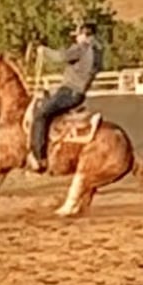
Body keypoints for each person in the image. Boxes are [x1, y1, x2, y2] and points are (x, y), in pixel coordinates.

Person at [27, 22, 103, 174]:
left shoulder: (81, 48)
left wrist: (43, 50)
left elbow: (59, 57)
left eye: (79, 34)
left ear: (85, 35)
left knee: (40, 115)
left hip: (69, 92)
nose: (76, 38)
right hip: (78, 94)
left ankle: (39, 157)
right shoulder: (97, 51)